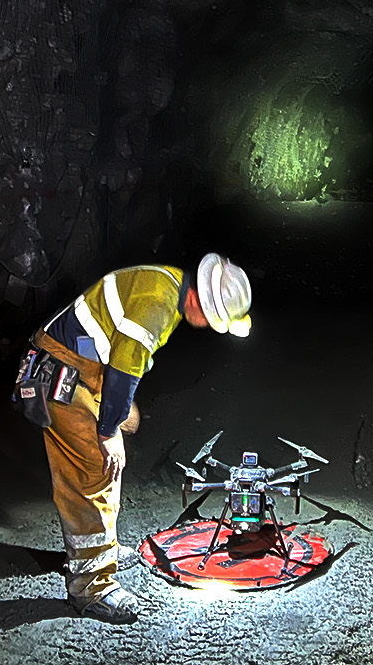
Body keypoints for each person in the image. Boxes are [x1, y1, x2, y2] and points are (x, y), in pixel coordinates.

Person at [26, 253, 252, 624]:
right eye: (213, 321)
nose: (209, 327)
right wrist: (108, 431)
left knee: (121, 431)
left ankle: (103, 548)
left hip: (83, 364)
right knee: (97, 469)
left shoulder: (170, 281)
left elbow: (119, 361)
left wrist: (118, 415)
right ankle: (91, 587)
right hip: (62, 373)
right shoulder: (157, 304)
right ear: (201, 304)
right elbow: (123, 369)